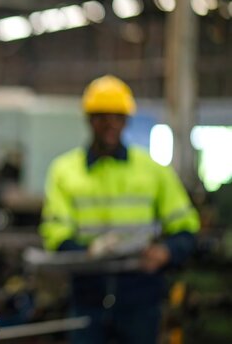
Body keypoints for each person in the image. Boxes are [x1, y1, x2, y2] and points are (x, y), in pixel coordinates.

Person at [39, 75, 200, 344]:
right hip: (88, 296)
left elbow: (186, 228)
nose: (110, 124)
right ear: (89, 120)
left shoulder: (153, 170)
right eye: (102, 117)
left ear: (126, 121)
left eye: (117, 117)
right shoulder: (64, 171)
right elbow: (55, 232)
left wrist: (166, 252)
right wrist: (86, 253)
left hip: (140, 296)